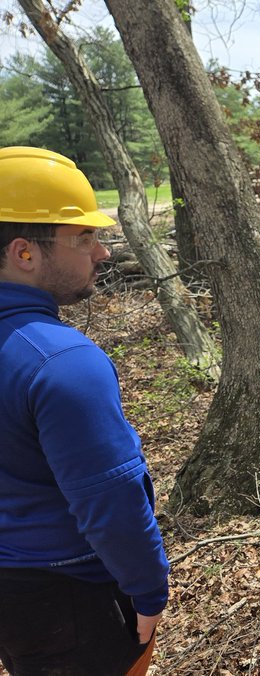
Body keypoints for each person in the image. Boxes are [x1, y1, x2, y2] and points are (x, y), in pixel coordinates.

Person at [0, 147, 168, 675]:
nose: (103, 254)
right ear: (25, 253)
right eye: (85, 238)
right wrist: (148, 591)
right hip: (70, 599)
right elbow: (110, 500)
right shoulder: (62, 363)